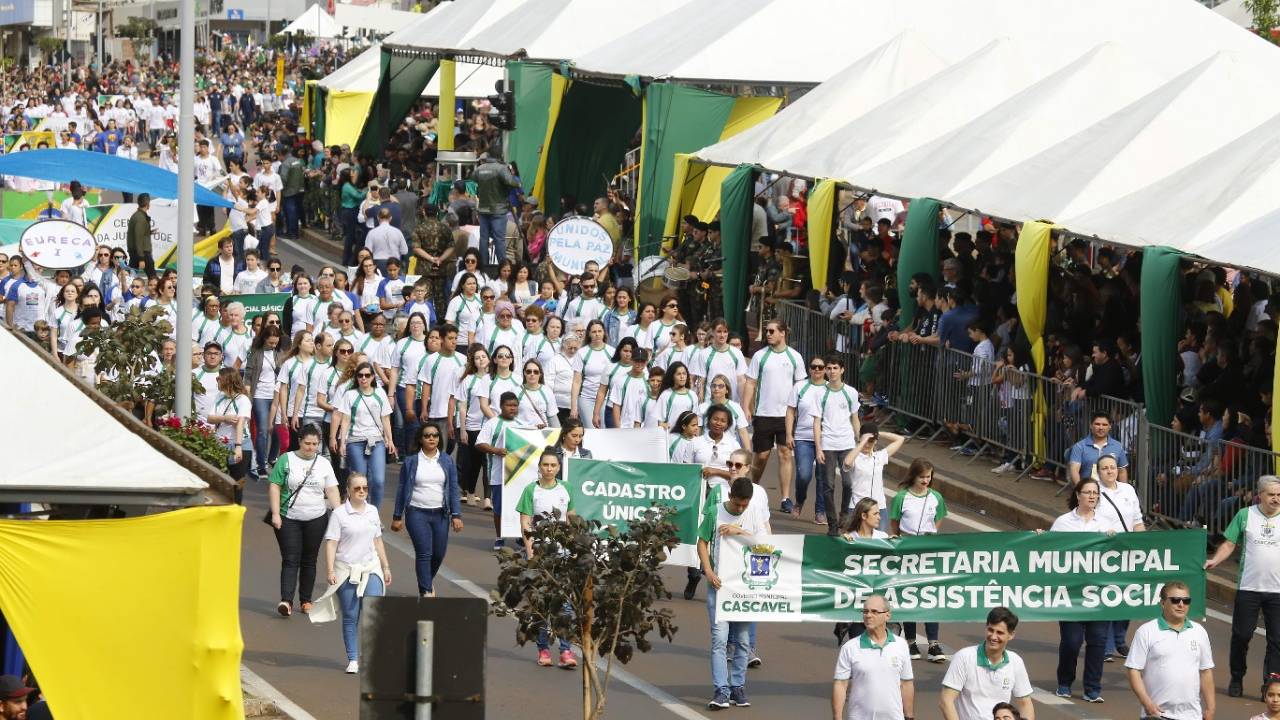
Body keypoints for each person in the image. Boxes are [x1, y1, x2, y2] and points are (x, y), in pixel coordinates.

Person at [1205, 474, 1280, 699]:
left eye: (1279, 495)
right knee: (1241, 635)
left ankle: (1270, 683)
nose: (1276, 499)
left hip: (1277, 591)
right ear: (1260, 495)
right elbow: (1229, 543)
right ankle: (1237, 676)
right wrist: (1214, 560)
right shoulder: (1245, 515)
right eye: (1271, 495)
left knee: (1277, 640)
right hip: (1249, 587)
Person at [310, 473, 392, 674]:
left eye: (365, 488)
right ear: (348, 491)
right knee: (350, 615)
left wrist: (386, 566)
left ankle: (372, 656)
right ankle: (353, 659)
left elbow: (378, 540)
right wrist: (330, 570)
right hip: (346, 570)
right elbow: (331, 543)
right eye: (357, 488)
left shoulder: (372, 511)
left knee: (373, 613)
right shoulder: (339, 514)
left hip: (370, 568)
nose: (362, 491)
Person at [698, 477, 767, 709]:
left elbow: (765, 544)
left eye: (744, 505)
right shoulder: (714, 512)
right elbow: (702, 542)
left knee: (744, 641)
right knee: (719, 639)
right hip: (719, 586)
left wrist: (739, 531)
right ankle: (721, 689)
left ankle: (738, 686)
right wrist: (708, 571)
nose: (740, 508)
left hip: (746, 588)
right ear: (730, 497)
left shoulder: (754, 511)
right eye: (737, 504)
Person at [1050, 477, 1120, 702]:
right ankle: (1064, 682)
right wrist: (1040, 538)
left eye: (1095, 492)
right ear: (1077, 495)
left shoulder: (1108, 522)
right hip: (1071, 594)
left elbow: (1122, 554)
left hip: (1099, 595)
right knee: (1071, 642)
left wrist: (1113, 540)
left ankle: (1092, 688)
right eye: (1088, 492)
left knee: (1098, 641)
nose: (1092, 496)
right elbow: (1046, 553)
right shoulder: (1062, 523)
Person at [268, 425, 340, 617]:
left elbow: (331, 490)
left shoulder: (324, 463)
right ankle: (286, 600)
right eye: (307, 443)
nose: (310, 447)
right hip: (288, 517)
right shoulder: (286, 460)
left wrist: (340, 515)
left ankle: (306, 600)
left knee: (309, 559)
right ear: (299, 441)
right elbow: (275, 486)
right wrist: (275, 513)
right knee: (291, 559)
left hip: (316, 517)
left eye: (315, 444)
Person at [517, 449, 579, 669]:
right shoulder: (530, 490)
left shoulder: (567, 488)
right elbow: (525, 523)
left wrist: (576, 546)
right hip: (540, 553)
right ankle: (543, 649)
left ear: (559, 468)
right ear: (540, 467)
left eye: (553, 465)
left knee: (566, 605)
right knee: (541, 603)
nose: (549, 469)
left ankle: (565, 650)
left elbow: (571, 518)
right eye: (545, 465)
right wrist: (531, 552)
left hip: (562, 554)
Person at [1125, 580, 1215, 720]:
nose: (1181, 604)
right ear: (1162, 603)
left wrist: (1210, 708)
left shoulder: (1199, 632)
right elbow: (1133, 670)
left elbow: (1206, 672)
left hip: (1192, 715)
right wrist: (1146, 702)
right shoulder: (1146, 631)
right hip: (1157, 715)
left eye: (1186, 601)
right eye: (1175, 600)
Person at [391, 424, 463, 597]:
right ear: (420, 439)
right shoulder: (411, 461)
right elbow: (402, 488)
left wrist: (456, 514)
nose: (432, 438)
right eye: (427, 435)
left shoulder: (447, 460)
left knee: (438, 554)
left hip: (440, 514)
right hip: (417, 512)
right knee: (424, 553)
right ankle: (426, 591)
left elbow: (453, 488)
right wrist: (397, 516)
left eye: (435, 435)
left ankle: (426, 582)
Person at [890, 458, 948, 663]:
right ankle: (911, 641)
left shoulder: (936, 497)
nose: (925, 480)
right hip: (906, 548)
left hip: (927, 550)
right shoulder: (902, 497)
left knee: (930, 595)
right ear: (913, 476)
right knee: (909, 595)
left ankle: (933, 643)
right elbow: (895, 522)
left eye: (928, 476)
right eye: (922, 476)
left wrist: (931, 535)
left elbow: (939, 517)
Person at [744, 319, 805, 512]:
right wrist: (745, 407)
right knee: (761, 456)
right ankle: (752, 489)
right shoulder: (760, 356)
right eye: (767, 331)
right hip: (763, 413)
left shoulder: (795, 357)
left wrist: (801, 412)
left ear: (783, 333)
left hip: (786, 416)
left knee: (785, 454)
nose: (768, 334)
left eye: (771, 331)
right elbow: (751, 383)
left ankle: (785, 498)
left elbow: (801, 387)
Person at [940, 607, 1034, 720]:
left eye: (1000, 633)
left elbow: (1025, 703)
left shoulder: (1016, 661)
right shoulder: (964, 657)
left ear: (1011, 635)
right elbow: (946, 700)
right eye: (990, 630)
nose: (993, 637)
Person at [831, 593, 914, 720]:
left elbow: (906, 683)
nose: (868, 615)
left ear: (887, 615)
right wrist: (837, 717)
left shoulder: (901, 645)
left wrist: (909, 716)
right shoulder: (850, 647)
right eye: (865, 611)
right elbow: (840, 684)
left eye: (874, 612)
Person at [1094, 453, 1145, 661]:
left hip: (1128, 551)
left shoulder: (1128, 490)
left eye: (1112, 467)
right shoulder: (1094, 491)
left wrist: (1145, 545)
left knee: (1128, 595)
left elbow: (1137, 521)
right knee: (1108, 595)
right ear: (1098, 472)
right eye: (1105, 468)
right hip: (1105, 552)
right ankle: (1105, 645)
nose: (1109, 471)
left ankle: (1119, 639)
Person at [332, 361, 397, 509]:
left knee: (378, 481)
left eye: (367, 375)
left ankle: (374, 514)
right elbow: (346, 419)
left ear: (373, 377)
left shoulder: (380, 392)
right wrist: (342, 442)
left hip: (377, 441)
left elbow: (385, 418)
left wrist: (390, 440)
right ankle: (360, 511)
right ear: (356, 378)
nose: (363, 378)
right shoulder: (350, 394)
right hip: (355, 441)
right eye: (360, 375)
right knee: (359, 481)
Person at [812, 356, 861, 536]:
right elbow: (816, 422)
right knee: (829, 486)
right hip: (828, 445)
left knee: (848, 483)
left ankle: (844, 515)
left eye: (835, 368)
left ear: (842, 370)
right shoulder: (820, 393)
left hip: (847, 443)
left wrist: (859, 441)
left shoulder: (851, 392)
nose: (831, 372)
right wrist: (818, 448)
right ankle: (832, 524)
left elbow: (855, 418)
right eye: (829, 368)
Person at [477, 392, 522, 550]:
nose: (512, 408)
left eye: (515, 405)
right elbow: (480, 443)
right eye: (509, 405)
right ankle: (499, 537)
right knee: (499, 508)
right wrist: (496, 450)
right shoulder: (492, 423)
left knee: (519, 507)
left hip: (518, 474)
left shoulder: (522, 423)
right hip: (498, 474)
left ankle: (520, 536)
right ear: (501, 406)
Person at [787, 355, 828, 524]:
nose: (817, 370)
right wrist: (789, 434)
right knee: (804, 475)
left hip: (826, 440)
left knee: (822, 477)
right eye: (813, 366)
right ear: (809, 369)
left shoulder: (830, 388)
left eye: (820, 367)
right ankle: (800, 500)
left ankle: (820, 511)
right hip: (803, 438)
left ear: (825, 369)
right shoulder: (800, 386)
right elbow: (790, 411)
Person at [848, 423, 905, 529]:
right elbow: (847, 463)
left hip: (879, 508)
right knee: (858, 542)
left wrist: (877, 434)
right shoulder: (854, 457)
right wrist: (863, 440)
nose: (867, 444)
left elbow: (900, 439)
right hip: (857, 507)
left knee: (879, 541)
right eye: (865, 441)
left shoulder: (880, 456)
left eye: (871, 441)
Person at [208, 368, 252, 503]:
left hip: (239, 444)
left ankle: (235, 510)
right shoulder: (219, 396)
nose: (217, 381)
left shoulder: (243, 399)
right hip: (220, 444)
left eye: (218, 379)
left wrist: (238, 446)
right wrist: (224, 418)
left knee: (236, 482)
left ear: (227, 380)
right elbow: (210, 418)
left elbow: (240, 423)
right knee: (216, 480)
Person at [473, 150, 521, 269]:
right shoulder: (501, 168)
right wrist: (516, 182)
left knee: (483, 238)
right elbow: (512, 182)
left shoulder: (480, 168)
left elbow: (473, 180)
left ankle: (484, 265)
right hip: (498, 209)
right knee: (499, 239)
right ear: (499, 156)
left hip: (483, 209)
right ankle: (502, 266)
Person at [569, 320, 614, 429]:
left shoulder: (612, 352)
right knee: (591, 430)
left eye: (599, 331)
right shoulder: (582, 352)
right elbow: (576, 381)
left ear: (604, 332)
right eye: (594, 332)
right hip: (586, 398)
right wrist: (573, 406)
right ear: (589, 334)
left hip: (606, 399)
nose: (597, 334)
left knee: (604, 429)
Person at [1067, 412, 1130, 484]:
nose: (1101, 428)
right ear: (1091, 425)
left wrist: (1124, 492)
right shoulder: (1079, 446)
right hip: (1089, 491)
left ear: (1110, 426)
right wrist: (1081, 490)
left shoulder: (1118, 446)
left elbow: (1122, 472)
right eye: (1097, 424)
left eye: (1104, 425)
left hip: (1111, 492)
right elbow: (1074, 471)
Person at [127, 193, 155, 277]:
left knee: (131, 276)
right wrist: (141, 258)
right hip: (142, 252)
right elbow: (138, 238)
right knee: (152, 277)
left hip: (137, 252)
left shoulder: (137, 216)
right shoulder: (140, 218)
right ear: (148, 204)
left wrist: (148, 232)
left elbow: (139, 234)